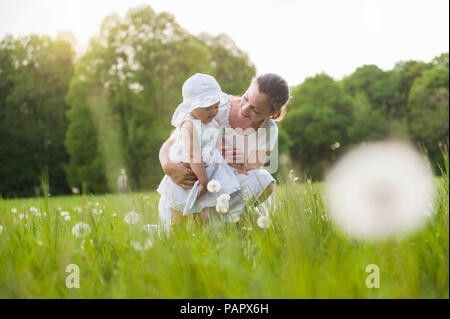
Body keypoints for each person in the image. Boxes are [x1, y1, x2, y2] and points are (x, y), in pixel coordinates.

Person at [159, 73, 290, 231]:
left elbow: (256, 165)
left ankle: (219, 217)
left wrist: (241, 160)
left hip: (227, 178)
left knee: (265, 181)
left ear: (273, 114)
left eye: (255, 110)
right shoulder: (216, 105)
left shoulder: (268, 129)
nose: (245, 108)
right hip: (200, 172)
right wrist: (167, 165)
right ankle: (224, 221)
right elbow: (173, 142)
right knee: (174, 228)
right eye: (246, 98)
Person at [157, 73, 245, 225]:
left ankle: (201, 235)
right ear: (192, 106)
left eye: (216, 106)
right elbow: (193, 155)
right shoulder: (189, 125)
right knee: (179, 211)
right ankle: (178, 237)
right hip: (189, 173)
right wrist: (204, 181)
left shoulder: (212, 123)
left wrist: (231, 162)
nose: (213, 112)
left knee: (206, 210)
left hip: (209, 172)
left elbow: (218, 149)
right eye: (207, 108)